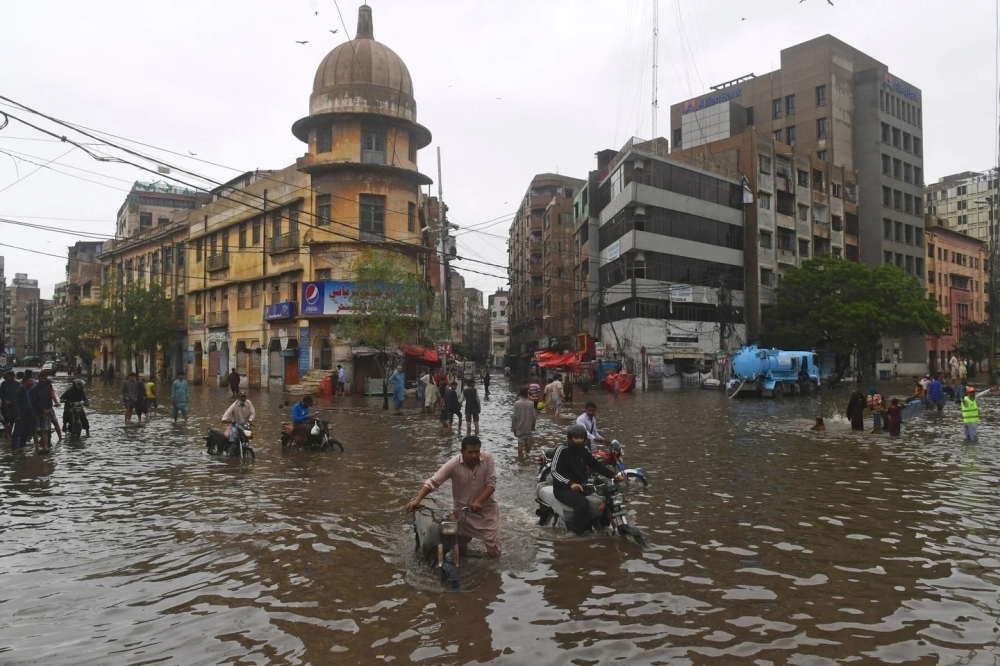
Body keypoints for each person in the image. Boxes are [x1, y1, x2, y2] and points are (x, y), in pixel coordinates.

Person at [405, 435, 500, 558]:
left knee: (494, 552)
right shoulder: (453, 464)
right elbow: (432, 482)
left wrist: (478, 502)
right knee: (459, 548)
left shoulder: (487, 458)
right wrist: (417, 500)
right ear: (462, 452)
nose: (474, 455)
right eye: (470, 452)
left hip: (486, 512)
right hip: (462, 512)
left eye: (477, 452)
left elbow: (491, 484)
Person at [551, 424, 625, 534]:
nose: (579, 440)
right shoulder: (561, 450)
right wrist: (570, 483)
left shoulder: (584, 449)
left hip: (580, 486)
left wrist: (613, 475)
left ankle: (602, 526)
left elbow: (595, 464)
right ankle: (576, 532)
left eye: (581, 438)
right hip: (562, 488)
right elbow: (554, 471)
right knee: (582, 503)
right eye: (576, 438)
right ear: (570, 438)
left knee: (603, 497)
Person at [30, 374, 55, 454]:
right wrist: (43, 409)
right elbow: (34, 401)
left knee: (45, 429)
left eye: (44, 378)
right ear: (38, 378)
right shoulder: (34, 389)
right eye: (41, 378)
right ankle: (37, 447)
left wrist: (50, 408)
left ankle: (45, 447)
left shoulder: (47, 388)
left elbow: (49, 399)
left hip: (46, 411)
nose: (43, 379)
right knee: (36, 430)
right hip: (36, 411)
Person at [511, 387, 537, 458]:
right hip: (528, 427)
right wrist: (533, 427)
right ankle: (528, 456)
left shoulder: (516, 404)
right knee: (527, 442)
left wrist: (513, 429)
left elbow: (514, 417)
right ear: (526, 394)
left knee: (520, 443)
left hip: (519, 427)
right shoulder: (531, 403)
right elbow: (533, 416)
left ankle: (520, 457)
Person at [1, 370, 19, 439]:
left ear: (13, 376)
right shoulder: (4, 384)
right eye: (7, 376)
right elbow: (1, 394)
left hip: (14, 404)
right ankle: (6, 434)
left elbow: (19, 394)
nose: (8, 377)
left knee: (12, 420)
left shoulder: (17, 384)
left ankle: (10, 433)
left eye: (9, 376)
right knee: (6, 420)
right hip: (6, 404)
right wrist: (5, 400)